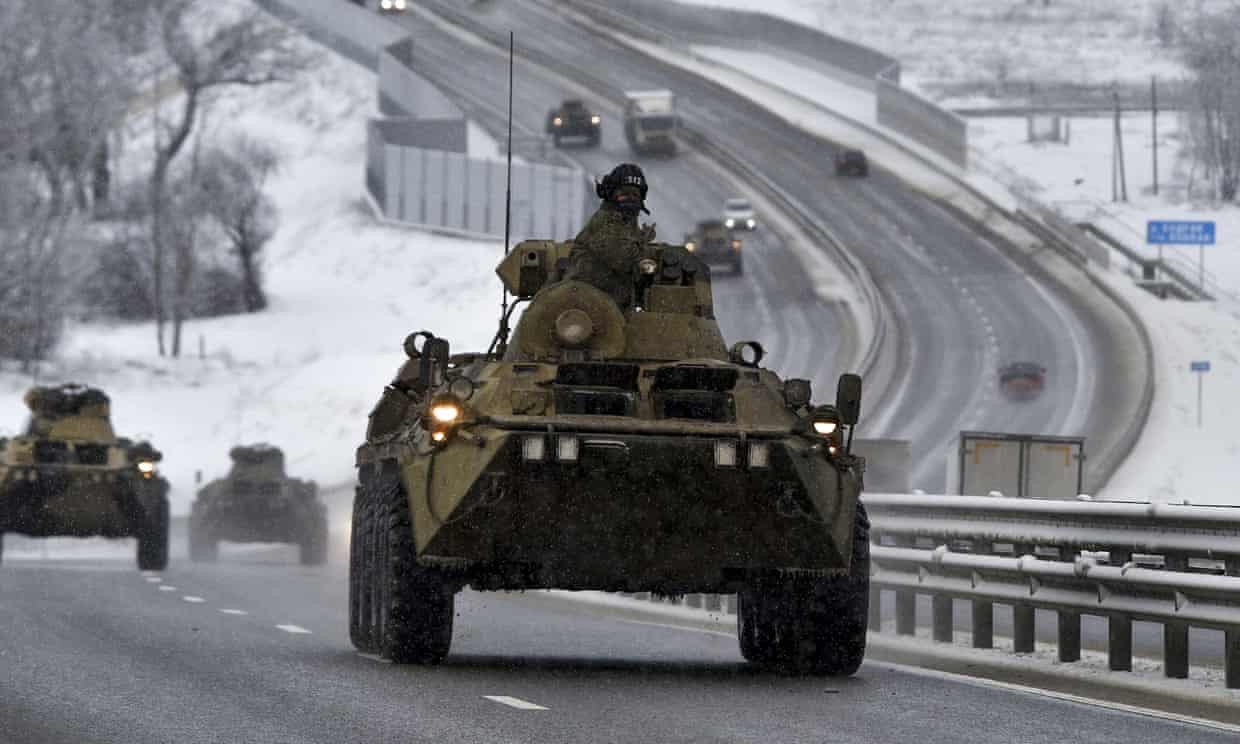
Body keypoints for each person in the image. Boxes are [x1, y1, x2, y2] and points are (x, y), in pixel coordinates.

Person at [563, 163, 657, 310]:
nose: (630, 199)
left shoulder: (627, 223)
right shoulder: (606, 221)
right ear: (611, 195)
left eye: (635, 195)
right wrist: (643, 245)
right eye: (624, 194)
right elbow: (624, 259)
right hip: (584, 306)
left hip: (607, 306)